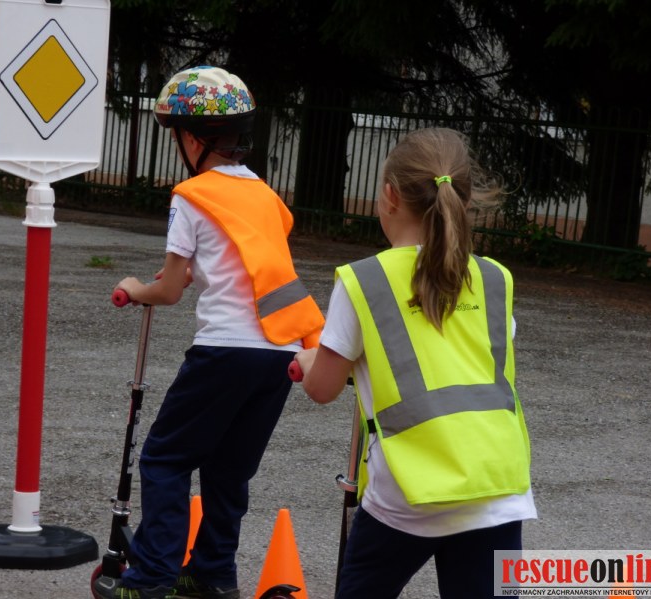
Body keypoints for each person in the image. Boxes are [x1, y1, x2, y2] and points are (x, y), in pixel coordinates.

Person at [93, 65, 325, 599]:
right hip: (281, 351)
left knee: (165, 458)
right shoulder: (264, 195)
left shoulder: (192, 195)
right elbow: (249, 266)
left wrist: (135, 287)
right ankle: (212, 574)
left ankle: (151, 578)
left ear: (193, 139)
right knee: (228, 470)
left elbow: (169, 289)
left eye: (177, 135)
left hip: (225, 348)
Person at [292, 127, 537, 599]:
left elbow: (322, 388)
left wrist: (312, 357)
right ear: (464, 200)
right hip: (496, 484)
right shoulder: (494, 279)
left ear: (389, 196)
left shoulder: (365, 280)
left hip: (411, 491)